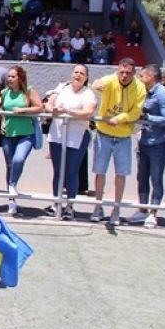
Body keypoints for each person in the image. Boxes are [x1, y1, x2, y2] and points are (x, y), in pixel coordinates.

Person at [90, 59, 146, 225]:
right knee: (100, 172)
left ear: (133, 73)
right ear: (118, 70)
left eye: (128, 73)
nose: (124, 75)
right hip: (103, 133)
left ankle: (116, 208)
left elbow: (136, 112)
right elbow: (98, 83)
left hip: (123, 137)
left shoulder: (140, 87)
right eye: (121, 72)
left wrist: (120, 118)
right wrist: (97, 85)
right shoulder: (111, 79)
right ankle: (97, 207)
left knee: (120, 174)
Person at [44, 64, 97, 220]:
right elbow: (48, 103)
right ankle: (56, 203)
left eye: (82, 73)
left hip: (77, 136)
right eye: (76, 72)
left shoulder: (88, 94)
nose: (78, 75)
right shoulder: (62, 87)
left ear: (86, 77)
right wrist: (52, 109)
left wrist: (68, 112)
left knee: (71, 172)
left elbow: (87, 112)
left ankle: (70, 206)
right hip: (58, 134)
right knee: (58, 170)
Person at [129, 64, 165, 229]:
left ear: (151, 76)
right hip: (144, 141)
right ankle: (142, 210)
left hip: (159, 144)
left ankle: (153, 214)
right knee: (142, 177)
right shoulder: (145, 93)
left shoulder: (163, 94)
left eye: (142, 76)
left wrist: (148, 117)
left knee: (156, 179)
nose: (140, 79)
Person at [0, 65, 44, 214]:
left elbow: (39, 107)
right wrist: (2, 121)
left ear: (20, 78)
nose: (9, 79)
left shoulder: (29, 91)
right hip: (8, 135)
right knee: (10, 165)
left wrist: (23, 110)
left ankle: (12, 185)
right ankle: (11, 201)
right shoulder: (4, 92)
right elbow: (1, 109)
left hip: (26, 134)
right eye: (8, 76)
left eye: (13, 76)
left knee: (18, 160)